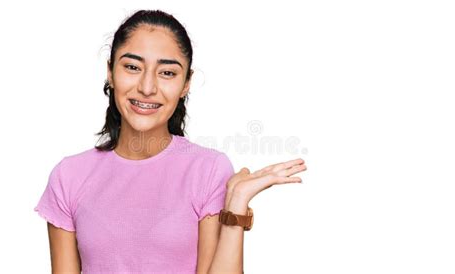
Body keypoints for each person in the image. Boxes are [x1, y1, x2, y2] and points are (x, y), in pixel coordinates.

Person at [33, 9, 307, 273]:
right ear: (110, 72)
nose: (147, 87)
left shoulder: (208, 170)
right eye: (132, 67)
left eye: (167, 73)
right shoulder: (68, 177)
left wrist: (236, 206)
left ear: (186, 84)